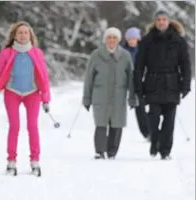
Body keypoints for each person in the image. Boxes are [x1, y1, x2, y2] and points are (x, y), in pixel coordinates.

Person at [0, 21, 51, 177]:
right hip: (12, 92)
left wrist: (46, 98)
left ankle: (35, 161)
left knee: (32, 127)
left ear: (30, 35)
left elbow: (44, 77)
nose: (23, 35)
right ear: (14, 35)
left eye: (26, 32)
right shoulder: (6, 53)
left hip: (32, 93)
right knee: (14, 126)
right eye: (20, 32)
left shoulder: (36, 53)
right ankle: (11, 162)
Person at [134, 10, 191, 160]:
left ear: (168, 21)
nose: (161, 22)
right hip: (152, 83)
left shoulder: (178, 40)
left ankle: (165, 151)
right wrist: (138, 85)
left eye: (164, 19)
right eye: (158, 19)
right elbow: (139, 65)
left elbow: (185, 64)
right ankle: (155, 140)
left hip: (172, 84)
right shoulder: (147, 41)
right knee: (153, 119)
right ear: (155, 22)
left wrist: (186, 84)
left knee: (169, 120)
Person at [82, 27, 138, 160]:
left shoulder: (125, 56)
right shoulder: (96, 55)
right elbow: (89, 78)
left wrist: (133, 97)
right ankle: (100, 151)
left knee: (117, 123)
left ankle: (112, 151)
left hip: (119, 94)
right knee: (101, 122)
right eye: (109, 37)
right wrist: (87, 98)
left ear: (118, 40)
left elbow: (131, 77)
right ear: (105, 39)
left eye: (114, 37)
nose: (111, 40)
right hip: (100, 94)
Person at [122, 26, 150, 141]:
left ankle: (152, 129)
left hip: (143, 81)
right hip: (128, 82)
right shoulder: (122, 50)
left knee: (150, 107)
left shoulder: (144, 49)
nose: (132, 41)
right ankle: (147, 133)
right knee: (139, 108)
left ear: (138, 39)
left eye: (134, 38)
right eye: (130, 39)